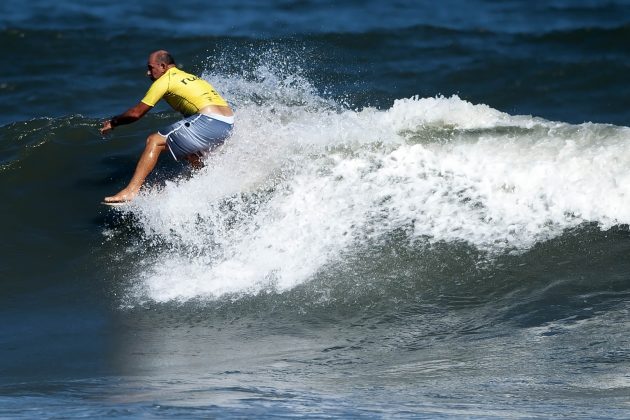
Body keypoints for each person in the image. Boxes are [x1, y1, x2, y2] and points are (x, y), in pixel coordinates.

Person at [100, 50, 234, 203]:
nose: (148, 73)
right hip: (227, 123)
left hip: (209, 120)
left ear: (163, 66)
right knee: (187, 148)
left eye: (151, 68)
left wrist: (113, 122)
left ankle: (130, 192)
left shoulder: (165, 81)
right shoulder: (191, 77)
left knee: (155, 141)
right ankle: (208, 183)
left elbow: (136, 113)